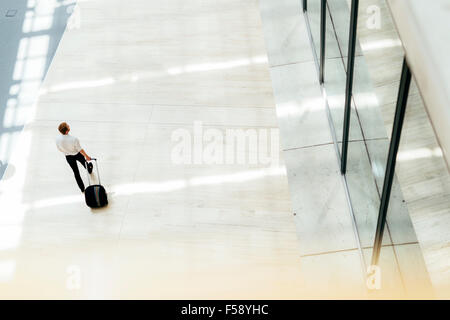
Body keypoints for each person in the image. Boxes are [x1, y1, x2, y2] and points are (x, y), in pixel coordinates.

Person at [56, 122, 93, 193]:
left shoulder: (57, 139)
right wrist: (87, 156)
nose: (69, 126)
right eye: (68, 126)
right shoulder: (74, 139)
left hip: (68, 157)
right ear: (67, 131)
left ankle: (82, 188)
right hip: (77, 154)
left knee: (76, 172)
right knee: (84, 163)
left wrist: (66, 151)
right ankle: (89, 169)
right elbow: (80, 149)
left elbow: (59, 149)